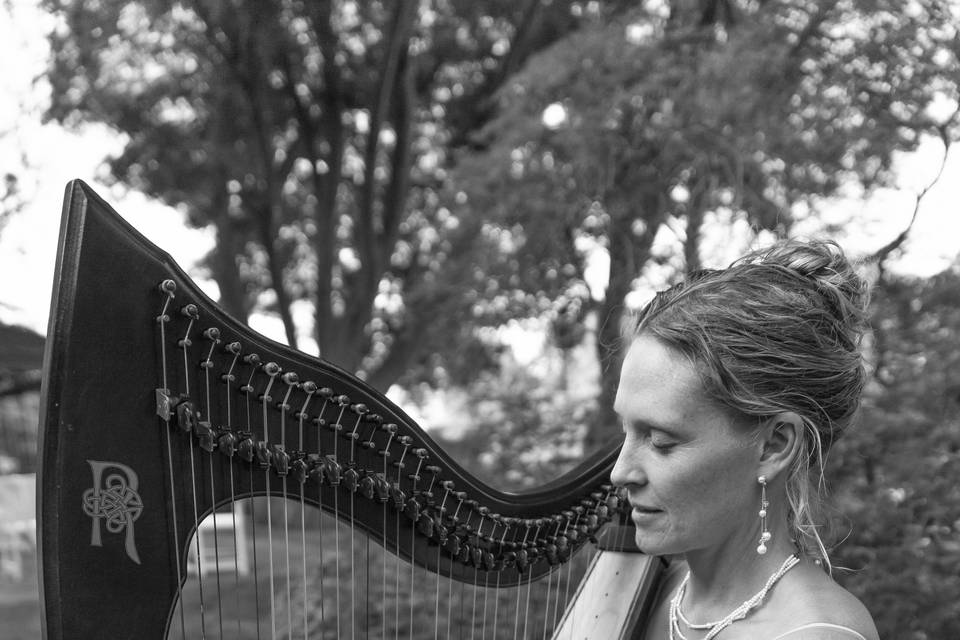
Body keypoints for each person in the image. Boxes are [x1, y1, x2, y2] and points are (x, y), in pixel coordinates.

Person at [610, 238, 880, 640]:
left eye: (661, 441)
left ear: (774, 445)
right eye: (627, 432)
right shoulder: (650, 592)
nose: (619, 473)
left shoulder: (815, 633)